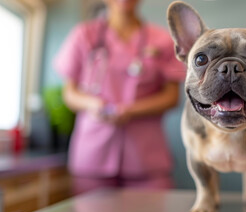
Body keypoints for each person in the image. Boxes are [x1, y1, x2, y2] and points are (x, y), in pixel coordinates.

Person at [54, 0, 186, 194]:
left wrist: (131, 110)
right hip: (93, 157)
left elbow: (172, 96)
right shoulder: (84, 35)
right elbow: (69, 93)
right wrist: (92, 104)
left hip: (147, 158)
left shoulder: (162, 40)